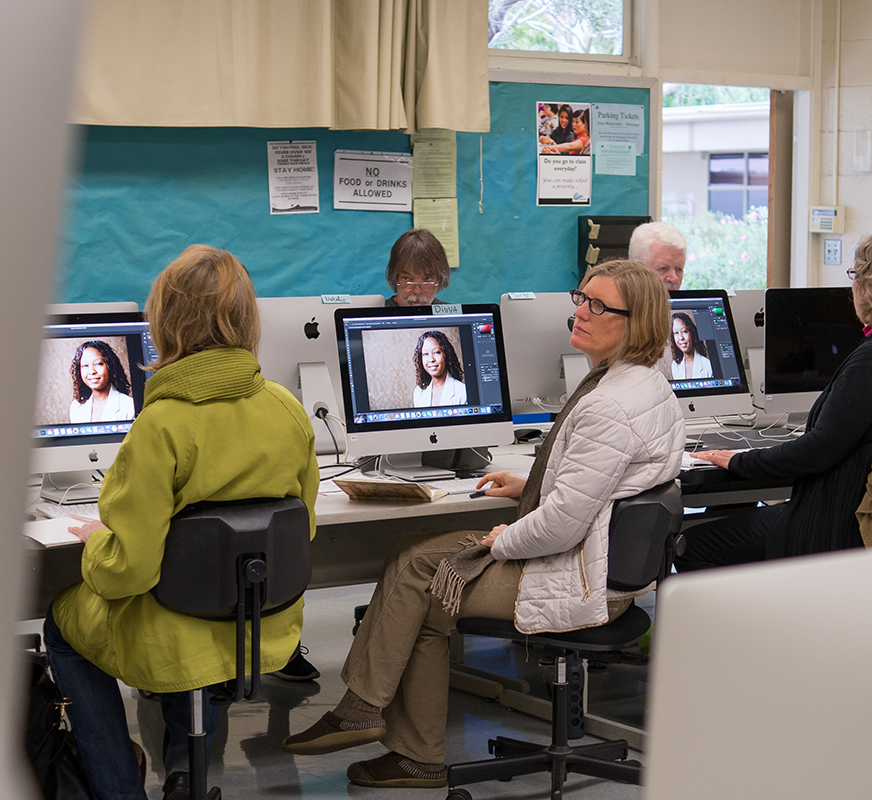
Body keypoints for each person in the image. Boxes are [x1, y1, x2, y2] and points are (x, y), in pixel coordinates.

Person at [282, 260, 686, 788]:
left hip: (578, 574)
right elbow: (604, 485)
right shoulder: (641, 383)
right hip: (600, 562)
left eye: (599, 306)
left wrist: (502, 542)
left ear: (637, 323)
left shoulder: (610, 403)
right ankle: (406, 748)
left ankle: (369, 713)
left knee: (416, 571)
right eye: (580, 298)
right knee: (416, 567)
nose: (580, 313)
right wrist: (530, 486)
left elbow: (561, 526)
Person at [45, 244, 319, 800]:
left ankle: (118, 787)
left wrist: (100, 544)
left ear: (163, 323)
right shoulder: (287, 408)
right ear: (248, 318)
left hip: (176, 630)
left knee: (62, 624)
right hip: (258, 627)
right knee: (194, 602)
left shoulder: (159, 426)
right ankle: (183, 774)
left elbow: (130, 571)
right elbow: (302, 530)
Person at [678, 230, 872, 568]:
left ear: (870, 284)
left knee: (692, 543)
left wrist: (737, 461)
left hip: (833, 528)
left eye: (856, 274)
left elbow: (817, 451)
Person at [69, 340, 136, 423]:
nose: (92, 371)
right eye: (85, 365)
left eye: (98, 364)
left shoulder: (129, 405)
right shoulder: (76, 407)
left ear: (110, 366)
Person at [384, 229, 451, 307]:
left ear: (439, 279)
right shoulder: (377, 316)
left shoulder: (453, 316)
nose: (417, 291)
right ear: (395, 279)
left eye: (427, 278)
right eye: (406, 279)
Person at [411, 331, 468, 407]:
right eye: (425, 354)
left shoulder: (463, 391)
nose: (431, 359)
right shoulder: (419, 392)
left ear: (446, 355)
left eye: (436, 352)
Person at [628, 221, 688, 291]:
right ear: (635, 269)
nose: (674, 278)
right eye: (662, 268)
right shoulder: (617, 301)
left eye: (678, 269)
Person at [669, 311, 713, 379]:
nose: (681, 337)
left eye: (684, 331)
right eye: (676, 333)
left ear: (692, 333)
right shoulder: (675, 366)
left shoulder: (707, 365)